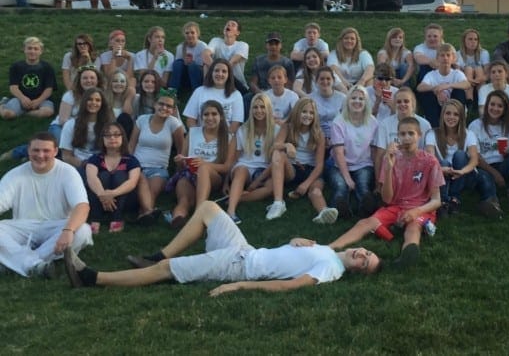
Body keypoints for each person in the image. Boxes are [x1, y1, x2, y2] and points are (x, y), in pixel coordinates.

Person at [64, 200, 380, 291]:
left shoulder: (331, 268)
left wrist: (239, 285)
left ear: (356, 270)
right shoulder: (329, 252)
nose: (362, 254)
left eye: (364, 262)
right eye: (367, 252)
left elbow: (290, 285)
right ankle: (156, 256)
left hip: (238, 267)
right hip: (246, 251)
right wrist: (293, 241)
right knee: (208, 208)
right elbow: (291, 260)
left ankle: (91, 278)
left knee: (169, 270)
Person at [329, 117, 443, 269]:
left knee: (413, 228)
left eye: (411, 133)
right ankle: (329, 248)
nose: (406, 138)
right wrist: (389, 168)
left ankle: (407, 256)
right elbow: (387, 199)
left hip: (420, 208)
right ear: (398, 136)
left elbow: (436, 200)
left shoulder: (430, 161)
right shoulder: (391, 158)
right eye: (402, 134)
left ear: (419, 135)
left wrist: (416, 211)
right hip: (396, 206)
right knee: (365, 222)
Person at [0, 132, 91, 277]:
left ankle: (17, 263)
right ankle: (34, 265)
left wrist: (68, 230)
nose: (40, 155)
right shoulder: (14, 174)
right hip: (24, 227)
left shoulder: (68, 172)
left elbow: (82, 206)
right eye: (36, 150)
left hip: (57, 227)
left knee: (83, 230)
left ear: (55, 151)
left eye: (46, 151)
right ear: (28, 150)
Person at [266, 98, 338, 224]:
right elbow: (274, 147)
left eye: (311, 113)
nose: (308, 115)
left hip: (312, 171)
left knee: (315, 191)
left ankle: (323, 211)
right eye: (304, 112)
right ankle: (278, 203)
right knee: (278, 153)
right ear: (297, 112)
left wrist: (306, 184)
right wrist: (287, 145)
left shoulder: (318, 134)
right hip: (292, 169)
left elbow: (319, 165)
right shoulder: (287, 127)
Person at [166, 101, 235, 228]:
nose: (210, 118)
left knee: (203, 168)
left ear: (221, 116)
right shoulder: (193, 133)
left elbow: (227, 167)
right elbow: (182, 163)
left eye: (214, 114)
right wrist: (180, 161)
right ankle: (177, 219)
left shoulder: (228, 137)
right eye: (206, 114)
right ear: (201, 117)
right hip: (189, 174)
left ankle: (199, 213)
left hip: (213, 177)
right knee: (184, 199)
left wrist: (205, 164)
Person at [130, 89, 185, 224]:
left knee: (152, 191)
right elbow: (131, 145)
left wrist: (178, 172)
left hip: (159, 169)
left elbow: (181, 150)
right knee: (141, 187)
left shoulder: (174, 123)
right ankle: (148, 212)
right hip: (137, 166)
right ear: (155, 104)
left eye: (169, 106)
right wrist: (128, 165)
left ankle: (144, 214)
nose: (164, 108)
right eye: (161, 104)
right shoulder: (142, 120)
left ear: (173, 110)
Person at [468, 90, 509, 214]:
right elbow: (475, 156)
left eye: (500, 106)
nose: (495, 108)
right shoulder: (475, 125)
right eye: (492, 104)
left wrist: (506, 153)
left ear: (505, 109)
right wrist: (494, 173)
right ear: (487, 105)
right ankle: (492, 202)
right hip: (484, 166)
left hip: (503, 165)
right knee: (485, 178)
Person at [325, 86, 379, 219]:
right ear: (347, 101)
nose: (357, 101)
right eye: (353, 98)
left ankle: (366, 206)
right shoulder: (338, 122)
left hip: (363, 164)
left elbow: (374, 150)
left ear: (366, 102)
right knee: (340, 186)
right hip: (338, 165)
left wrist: (377, 175)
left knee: (363, 185)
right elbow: (338, 153)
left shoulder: (373, 122)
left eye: (361, 99)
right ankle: (340, 208)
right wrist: (348, 178)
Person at [224, 93, 279, 224]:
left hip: (264, 169)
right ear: (251, 110)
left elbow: (275, 161)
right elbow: (235, 158)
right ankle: (231, 212)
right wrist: (225, 182)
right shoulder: (243, 129)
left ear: (268, 109)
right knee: (241, 170)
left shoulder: (276, 130)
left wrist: (257, 181)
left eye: (262, 107)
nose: (259, 110)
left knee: (271, 187)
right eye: (255, 107)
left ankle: (238, 198)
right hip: (245, 167)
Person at [424, 100, 482, 216]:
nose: (451, 117)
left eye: (456, 114)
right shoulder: (432, 134)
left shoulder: (469, 134)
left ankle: (455, 198)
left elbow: (474, 159)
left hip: (464, 175)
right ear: (442, 115)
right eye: (448, 113)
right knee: (443, 162)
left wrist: (462, 171)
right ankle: (444, 201)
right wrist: (441, 169)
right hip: (442, 173)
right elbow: (429, 157)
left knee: (460, 154)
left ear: (461, 117)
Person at [84, 122, 140, 234]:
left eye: (116, 134)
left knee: (120, 175)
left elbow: (132, 182)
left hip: (125, 200)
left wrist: (112, 193)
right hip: (99, 199)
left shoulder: (131, 160)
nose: (112, 138)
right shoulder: (95, 158)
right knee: (103, 176)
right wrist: (103, 195)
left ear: (122, 137)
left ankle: (117, 218)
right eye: (108, 135)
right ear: (102, 139)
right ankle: (96, 218)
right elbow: (91, 178)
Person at [373, 87, 431, 177]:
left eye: (406, 101)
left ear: (413, 104)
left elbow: (428, 154)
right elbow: (380, 155)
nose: (402, 104)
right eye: (399, 102)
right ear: (395, 104)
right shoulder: (385, 124)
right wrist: (378, 181)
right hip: (393, 169)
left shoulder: (425, 124)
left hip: (417, 168)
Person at [0, 36, 57, 120]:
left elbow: (49, 89)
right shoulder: (16, 66)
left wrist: (38, 101)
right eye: (29, 48)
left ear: (41, 51)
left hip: (42, 99)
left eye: (36, 49)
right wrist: (23, 98)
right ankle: (2, 104)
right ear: (24, 49)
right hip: (20, 98)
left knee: (47, 112)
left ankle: (23, 114)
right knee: (7, 115)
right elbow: (13, 88)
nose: (32, 51)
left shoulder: (47, 67)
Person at [183, 58, 244, 134]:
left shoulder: (236, 95)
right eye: (216, 70)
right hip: (201, 136)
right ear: (211, 72)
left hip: (225, 136)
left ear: (229, 75)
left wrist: (224, 137)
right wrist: (199, 136)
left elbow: (235, 124)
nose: (220, 74)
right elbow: (190, 120)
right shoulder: (199, 91)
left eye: (224, 71)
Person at [416, 43, 470, 127]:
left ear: (453, 58)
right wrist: (437, 90)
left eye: (448, 55)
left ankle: (458, 124)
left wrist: (447, 86)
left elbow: (467, 84)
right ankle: (434, 126)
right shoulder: (432, 74)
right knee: (427, 93)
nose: (445, 58)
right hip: (436, 106)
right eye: (442, 55)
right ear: (437, 58)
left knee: (459, 91)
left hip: (453, 105)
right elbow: (420, 87)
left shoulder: (457, 73)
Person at [59, 88, 113, 170]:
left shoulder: (108, 126)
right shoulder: (70, 124)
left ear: (102, 104)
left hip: (102, 166)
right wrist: (85, 164)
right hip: (79, 166)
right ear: (84, 102)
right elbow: (66, 156)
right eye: (90, 99)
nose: (94, 103)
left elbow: (113, 153)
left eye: (98, 100)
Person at [204, 20, 249, 94]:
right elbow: (205, 54)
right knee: (206, 65)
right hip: (217, 78)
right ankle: (206, 90)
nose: (229, 25)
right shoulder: (216, 41)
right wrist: (216, 71)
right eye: (227, 24)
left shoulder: (242, 45)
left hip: (235, 81)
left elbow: (232, 62)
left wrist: (218, 70)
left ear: (237, 32)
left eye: (233, 25)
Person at [308, 66, 346, 145]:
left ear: (333, 80)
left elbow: (346, 121)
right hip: (316, 136)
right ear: (316, 81)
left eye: (328, 79)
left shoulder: (342, 98)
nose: (325, 81)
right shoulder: (309, 99)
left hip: (338, 136)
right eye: (322, 79)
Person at [169, 21, 208, 92]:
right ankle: (172, 90)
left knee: (192, 65)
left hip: (198, 77)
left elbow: (205, 67)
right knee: (177, 63)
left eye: (192, 33)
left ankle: (196, 92)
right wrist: (185, 63)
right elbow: (177, 68)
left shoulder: (203, 47)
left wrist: (192, 63)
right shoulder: (180, 47)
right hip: (185, 78)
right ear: (184, 35)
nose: (189, 35)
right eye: (187, 33)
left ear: (197, 34)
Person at [456, 28, 490, 107]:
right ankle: (469, 100)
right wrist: (469, 79)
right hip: (466, 79)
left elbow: (487, 73)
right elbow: (458, 72)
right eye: (470, 39)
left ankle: (482, 100)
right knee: (468, 69)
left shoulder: (484, 53)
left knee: (478, 69)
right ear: (464, 41)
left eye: (475, 39)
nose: (473, 42)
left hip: (480, 79)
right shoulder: (458, 54)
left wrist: (478, 80)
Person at [103, 70, 136, 138]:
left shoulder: (134, 99)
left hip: (126, 138)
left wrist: (129, 99)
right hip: (108, 137)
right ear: (110, 83)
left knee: (124, 117)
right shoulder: (104, 100)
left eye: (122, 81)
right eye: (115, 81)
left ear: (126, 84)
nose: (119, 84)